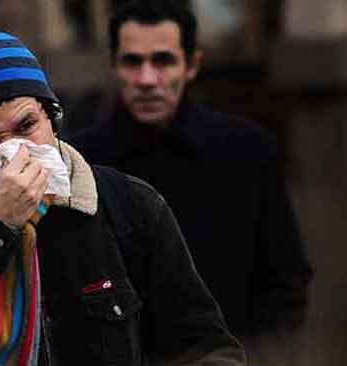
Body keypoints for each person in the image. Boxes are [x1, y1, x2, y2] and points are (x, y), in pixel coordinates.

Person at [0, 28, 246, 365]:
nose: (15, 152)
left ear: (52, 118)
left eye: (26, 126)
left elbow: (203, 346)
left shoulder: (130, 207)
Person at [67, 0, 313, 355]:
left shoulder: (246, 150)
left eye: (163, 60)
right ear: (114, 66)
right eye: (133, 62)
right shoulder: (81, 162)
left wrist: (259, 353)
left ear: (192, 65)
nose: (147, 79)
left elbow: (286, 276)